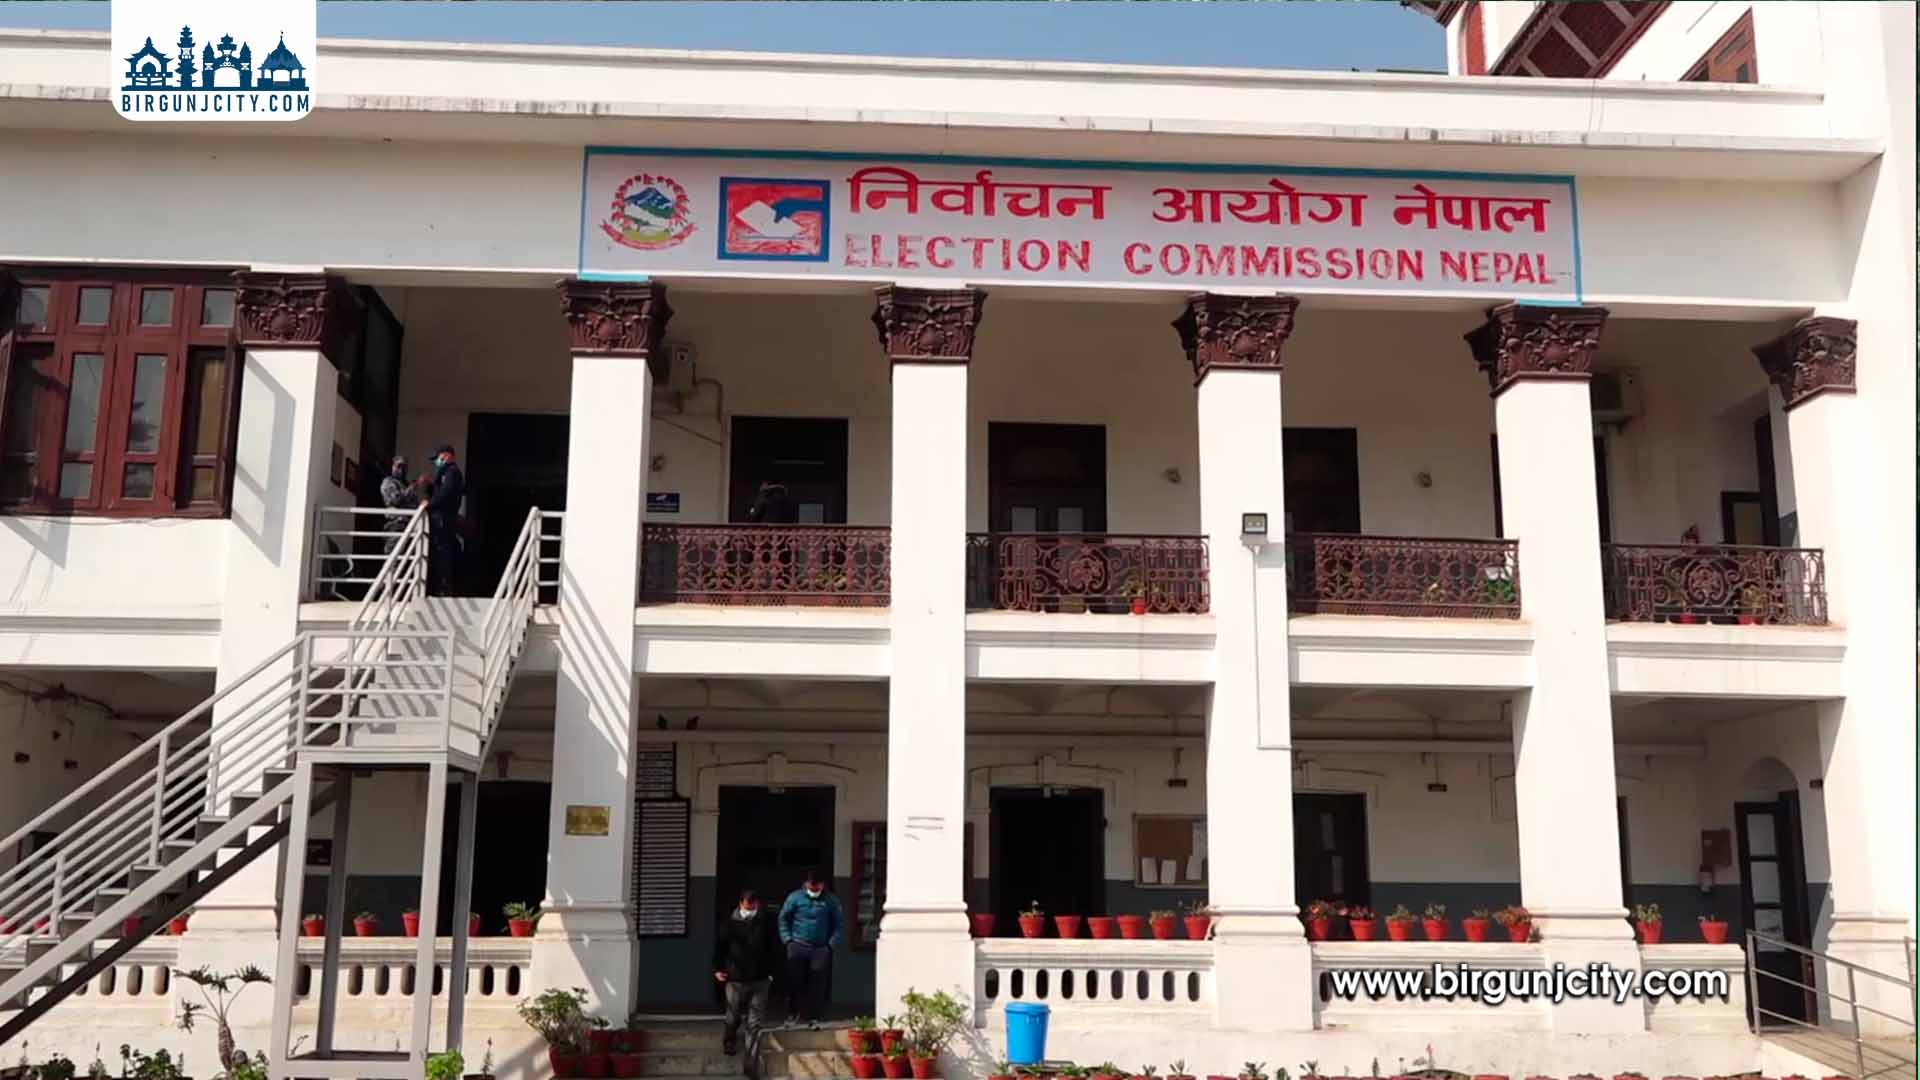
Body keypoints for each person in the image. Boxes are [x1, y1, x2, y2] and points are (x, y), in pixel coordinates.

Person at [712, 888, 782, 1057]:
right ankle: (729, 1040)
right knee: (733, 1014)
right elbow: (720, 948)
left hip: (760, 978)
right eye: (747, 907)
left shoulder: (766, 922)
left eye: (752, 907)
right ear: (741, 904)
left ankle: (751, 1053)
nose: (749, 910)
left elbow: (775, 949)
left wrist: (773, 973)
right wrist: (718, 969)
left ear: (757, 904)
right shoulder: (729, 923)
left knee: (755, 1019)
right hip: (735, 978)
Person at [776, 868, 843, 1028]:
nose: (814, 889)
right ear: (806, 883)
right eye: (811, 886)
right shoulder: (795, 898)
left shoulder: (831, 900)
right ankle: (792, 1014)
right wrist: (788, 940)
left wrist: (830, 945)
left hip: (820, 948)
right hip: (797, 945)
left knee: (817, 985)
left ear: (822, 885)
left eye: (817, 886)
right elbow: (783, 919)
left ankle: (814, 1017)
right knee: (794, 981)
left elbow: (839, 925)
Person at [425, 444, 465, 595]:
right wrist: (431, 485)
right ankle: (443, 585)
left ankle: (444, 587)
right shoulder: (446, 472)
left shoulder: (451, 471)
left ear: (447, 455)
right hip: (443, 517)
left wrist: (429, 504)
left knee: (443, 551)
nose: (437, 461)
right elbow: (441, 491)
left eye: (438, 458)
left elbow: (446, 493)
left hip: (444, 517)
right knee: (442, 550)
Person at [378, 455, 421, 553]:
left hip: (411, 525)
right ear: (393, 466)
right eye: (399, 466)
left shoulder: (406, 484)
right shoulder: (388, 482)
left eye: (404, 467)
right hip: (396, 524)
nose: (401, 470)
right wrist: (412, 488)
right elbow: (396, 500)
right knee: (394, 556)